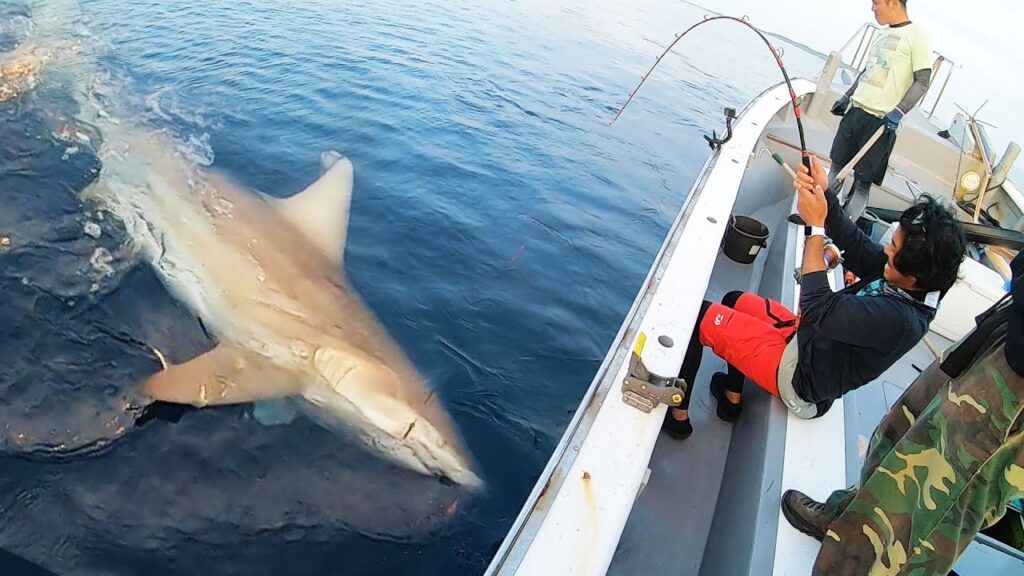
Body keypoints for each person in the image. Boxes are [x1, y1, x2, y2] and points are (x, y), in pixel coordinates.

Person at [663, 158, 965, 439]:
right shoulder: (913, 283)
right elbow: (855, 243)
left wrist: (816, 228)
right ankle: (732, 398)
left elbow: (817, 306)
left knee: (697, 317)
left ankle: (677, 418)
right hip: (807, 343)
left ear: (914, 276)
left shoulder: (900, 320)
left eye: (894, 250)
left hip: (798, 378)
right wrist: (825, 193)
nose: (887, 250)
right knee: (732, 299)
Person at [782, 252, 1024, 576]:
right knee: (902, 433)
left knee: (928, 506)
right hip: (1010, 326)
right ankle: (843, 516)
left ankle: (852, 565)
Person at [830, 0, 933, 220]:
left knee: (861, 183)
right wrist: (847, 97)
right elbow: (868, 71)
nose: (872, 8)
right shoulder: (880, 34)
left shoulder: (917, 35)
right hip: (856, 111)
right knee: (836, 168)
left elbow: (922, 81)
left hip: (881, 122)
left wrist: (899, 111)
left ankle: (842, 234)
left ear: (892, 2)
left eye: (876, 2)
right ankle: (818, 218)